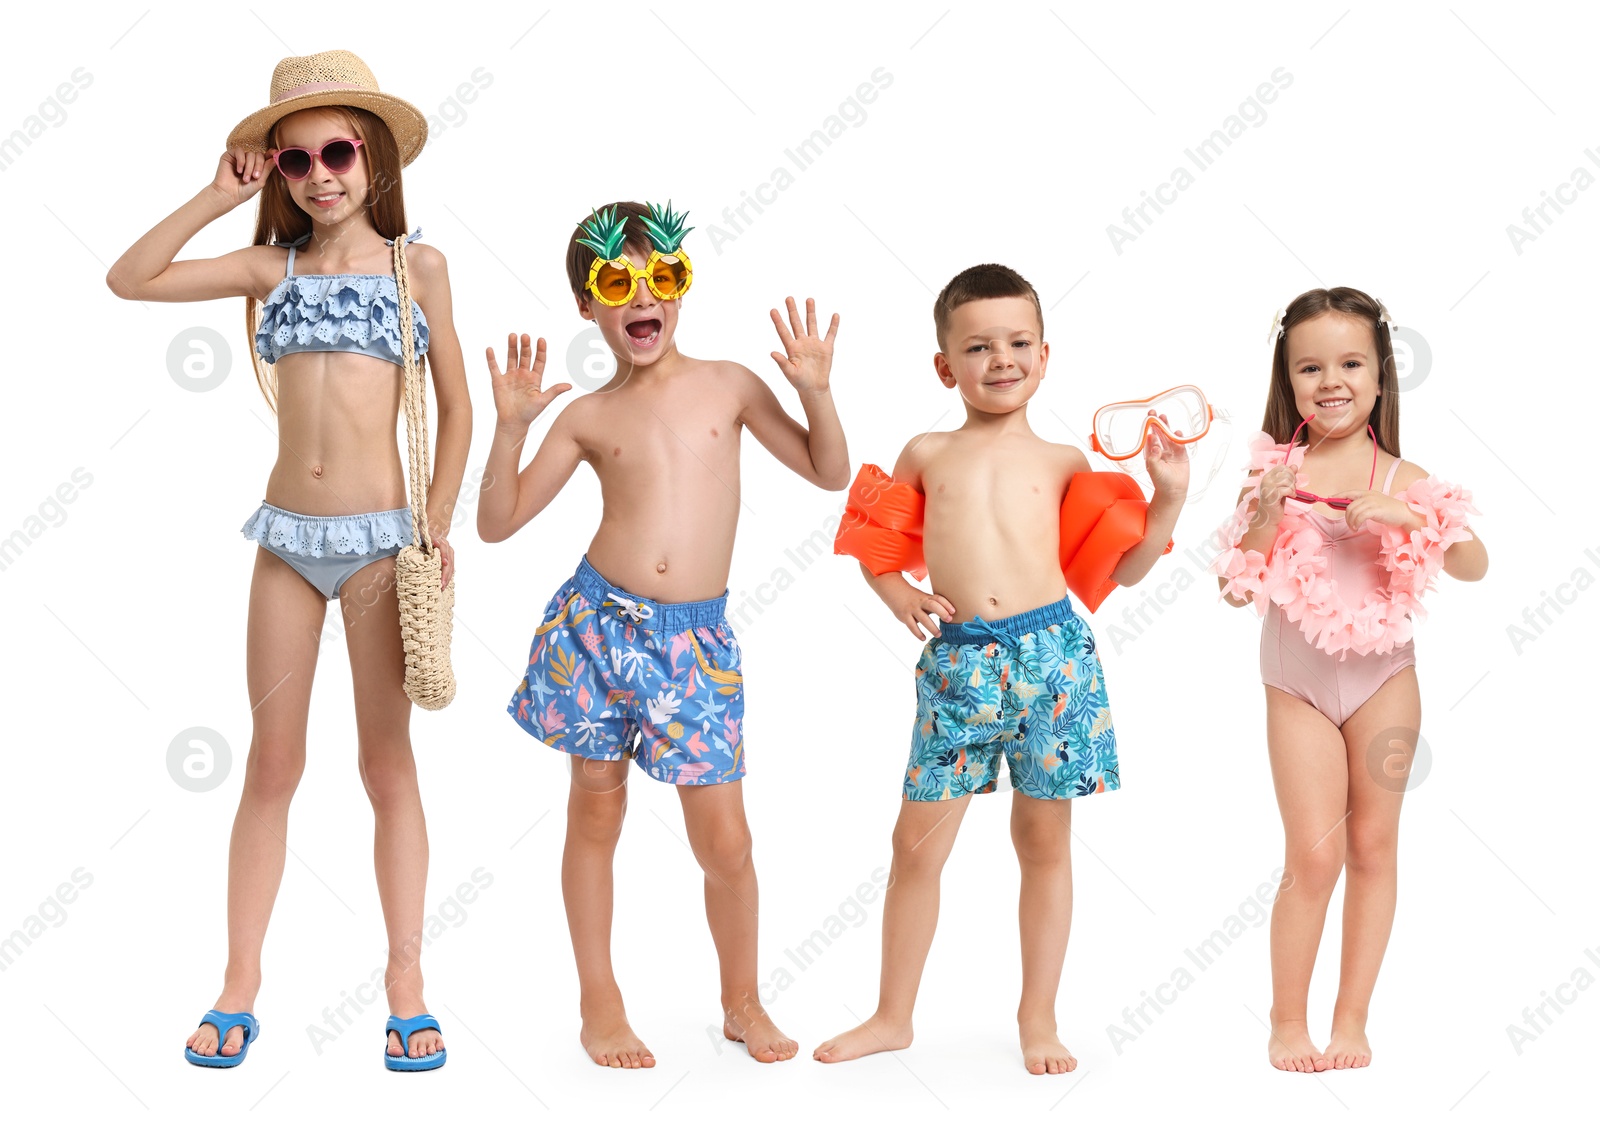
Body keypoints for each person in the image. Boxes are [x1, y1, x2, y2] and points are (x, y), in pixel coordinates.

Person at [107, 49, 470, 1071]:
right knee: (270, 764)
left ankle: (406, 980)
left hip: (375, 544)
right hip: (286, 538)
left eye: (340, 151)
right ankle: (238, 981)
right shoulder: (273, 268)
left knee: (385, 763)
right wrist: (215, 193)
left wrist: (434, 520)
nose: (321, 173)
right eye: (296, 159)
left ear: (375, 160)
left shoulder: (418, 269)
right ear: (276, 172)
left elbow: (458, 403)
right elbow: (129, 278)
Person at [479, 200, 849, 1066]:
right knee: (596, 813)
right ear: (589, 307)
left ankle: (742, 999)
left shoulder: (730, 386)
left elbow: (829, 471)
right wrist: (508, 430)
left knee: (726, 838)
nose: (643, 297)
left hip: (694, 649)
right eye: (617, 281)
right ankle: (600, 1004)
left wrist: (817, 393)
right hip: (595, 629)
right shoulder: (587, 417)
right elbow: (497, 522)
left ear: (682, 286)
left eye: (662, 278)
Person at [815, 263, 1186, 1074]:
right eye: (978, 346)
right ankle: (891, 1014)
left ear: (1045, 356)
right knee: (916, 845)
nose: (1001, 359)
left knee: (1044, 840)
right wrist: (894, 596)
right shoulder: (926, 450)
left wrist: (1168, 501)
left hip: (1055, 660)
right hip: (959, 665)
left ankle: (1038, 1018)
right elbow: (870, 537)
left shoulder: (1063, 462)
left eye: (1018, 342)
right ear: (945, 365)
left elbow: (1124, 572)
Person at [1211, 287, 1487, 1072]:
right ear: (1288, 379)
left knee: (1372, 845)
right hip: (1295, 686)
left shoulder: (1405, 474)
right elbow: (1234, 590)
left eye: (1350, 362)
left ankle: (1352, 1018)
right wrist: (1264, 514)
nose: (1329, 379)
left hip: (1384, 681)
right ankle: (1286, 1018)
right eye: (1310, 366)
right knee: (1314, 854)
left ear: (1378, 375)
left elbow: (1474, 564)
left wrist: (1411, 519)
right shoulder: (1272, 473)